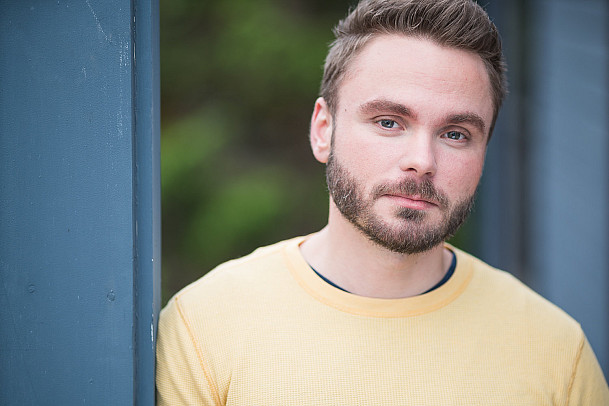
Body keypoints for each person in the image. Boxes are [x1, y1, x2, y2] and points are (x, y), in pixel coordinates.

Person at [156, 0, 609, 404]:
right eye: (389, 122)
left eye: (456, 134)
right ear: (323, 129)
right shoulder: (205, 326)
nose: (422, 162)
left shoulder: (555, 350)